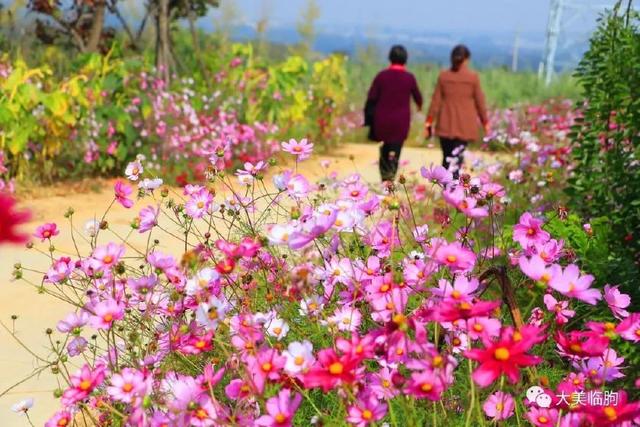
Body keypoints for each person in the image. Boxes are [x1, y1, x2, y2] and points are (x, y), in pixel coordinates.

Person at [426, 44, 489, 179]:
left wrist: (428, 123)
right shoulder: (473, 78)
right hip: (464, 126)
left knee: (447, 157)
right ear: (467, 59)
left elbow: (435, 102)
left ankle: (446, 188)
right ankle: (455, 189)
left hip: (445, 124)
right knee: (457, 158)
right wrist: (485, 123)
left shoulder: (444, 76)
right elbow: (480, 103)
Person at [365, 45, 423, 182]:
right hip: (400, 123)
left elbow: (371, 99)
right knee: (395, 152)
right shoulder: (409, 78)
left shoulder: (381, 76)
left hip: (382, 122)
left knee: (384, 151)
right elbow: (418, 98)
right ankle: (390, 179)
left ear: (390, 58)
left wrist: (368, 119)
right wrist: (419, 107)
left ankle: (384, 180)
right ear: (405, 59)